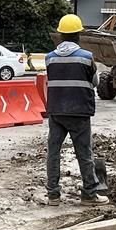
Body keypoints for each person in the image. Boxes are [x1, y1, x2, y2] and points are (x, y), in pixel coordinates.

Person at [45, 14, 108, 205]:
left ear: (61, 35)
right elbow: (95, 82)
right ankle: (89, 194)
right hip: (79, 112)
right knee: (84, 154)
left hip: (56, 112)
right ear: (78, 35)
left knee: (53, 153)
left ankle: (53, 195)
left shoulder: (50, 58)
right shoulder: (87, 58)